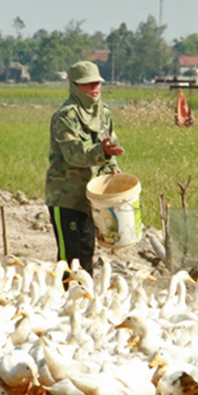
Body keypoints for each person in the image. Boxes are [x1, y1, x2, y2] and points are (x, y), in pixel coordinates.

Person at [45, 61, 124, 275]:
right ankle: (65, 301)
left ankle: (82, 301)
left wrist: (112, 169)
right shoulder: (65, 117)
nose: (94, 88)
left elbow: (111, 145)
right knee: (70, 255)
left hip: (92, 195)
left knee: (87, 250)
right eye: (87, 84)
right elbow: (74, 155)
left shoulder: (103, 112)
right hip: (66, 196)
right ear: (74, 86)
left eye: (97, 83)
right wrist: (103, 151)